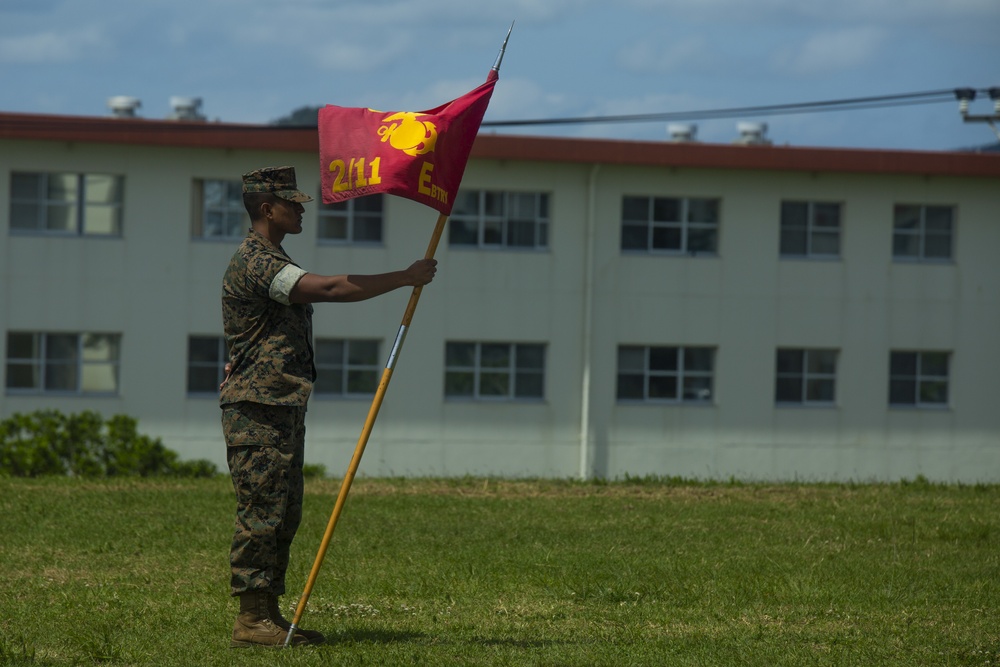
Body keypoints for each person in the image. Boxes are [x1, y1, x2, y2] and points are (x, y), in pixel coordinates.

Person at [220, 165, 437, 648]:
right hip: (257, 408)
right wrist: (405, 276)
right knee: (261, 511)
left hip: (277, 405)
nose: (300, 209)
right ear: (265, 208)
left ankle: (267, 615)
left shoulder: (274, 256)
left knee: (283, 510)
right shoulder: (255, 261)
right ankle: (251, 619)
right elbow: (331, 289)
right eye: (291, 203)